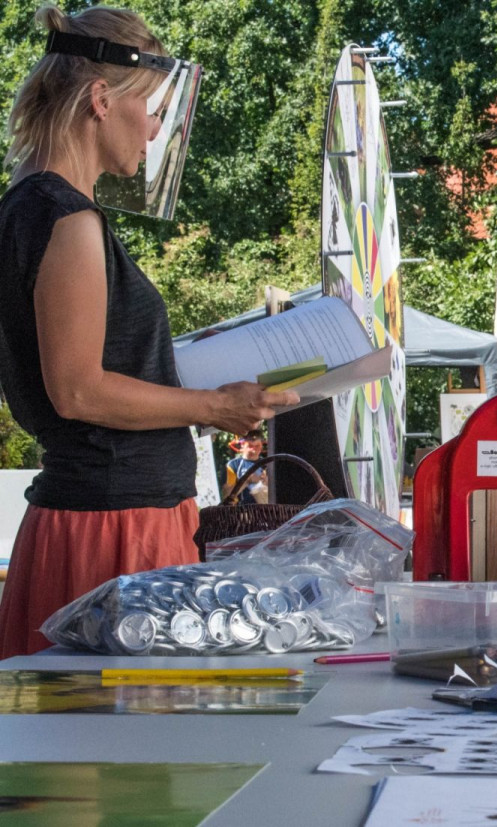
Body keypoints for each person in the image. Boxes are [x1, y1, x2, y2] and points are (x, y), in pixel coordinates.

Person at [0, 6, 296, 658]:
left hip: (91, 519)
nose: (157, 129)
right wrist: (216, 407)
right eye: (154, 109)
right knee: (120, 751)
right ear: (102, 100)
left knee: (75, 753)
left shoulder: (26, 205)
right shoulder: (68, 219)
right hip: (112, 532)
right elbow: (78, 391)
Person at [223, 429, 268, 504]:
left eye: (257, 446)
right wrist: (247, 480)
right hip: (242, 510)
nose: (254, 450)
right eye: (250, 446)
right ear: (242, 445)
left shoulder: (267, 463)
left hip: (265, 508)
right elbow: (227, 495)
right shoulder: (233, 465)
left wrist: (266, 481)